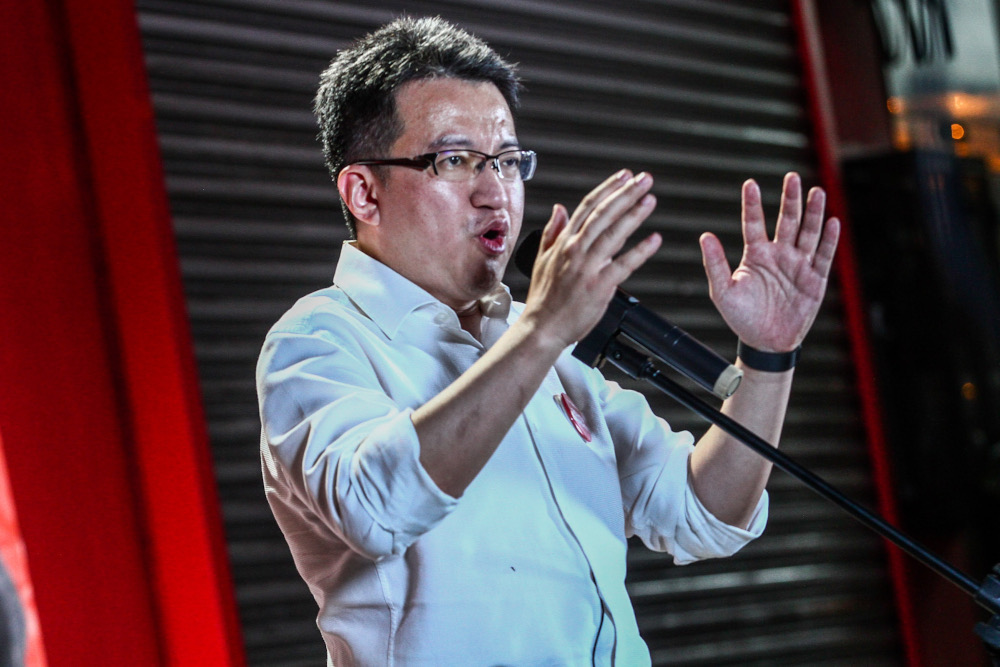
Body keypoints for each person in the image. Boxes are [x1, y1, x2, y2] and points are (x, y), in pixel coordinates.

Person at [256, 16, 840, 667]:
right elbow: (375, 507)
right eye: (454, 160)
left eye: (507, 160)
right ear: (364, 190)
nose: (495, 192)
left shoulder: (546, 348)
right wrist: (544, 329)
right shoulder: (318, 340)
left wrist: (766, 359)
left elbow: (701, 511)